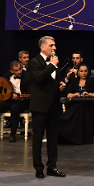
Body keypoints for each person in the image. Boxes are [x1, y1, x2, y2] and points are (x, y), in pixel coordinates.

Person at [28, 36, 66, 178]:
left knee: (53, 138)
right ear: (42, 47)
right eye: (51, 45)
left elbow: (53, 80)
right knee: (38, 139)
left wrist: (60, 84)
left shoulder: (53, 62)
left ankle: (52, 166)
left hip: (53, 106)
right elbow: (38, 78)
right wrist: (51, 65)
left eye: (54, 45)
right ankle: (38, 168)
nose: (54, 48)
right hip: (40, 106)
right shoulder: (34, 62)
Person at [0, 56, 30, 143]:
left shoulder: (27, 76)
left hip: (23, 101)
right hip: (9, 99)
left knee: (14, 108)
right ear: (11, 71)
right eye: (16, 70)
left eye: (20, 69)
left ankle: (13, 134)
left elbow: (30, 93)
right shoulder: (8, 75)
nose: (19, 72)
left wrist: (21, 97)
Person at [58, 63, 94, 144]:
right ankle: (70, 137)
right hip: (75, 105)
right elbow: (67, 94)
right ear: (78, 72)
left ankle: (81, 138)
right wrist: (74, 95)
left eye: (85, 71)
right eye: (81, 71)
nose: (83, 73)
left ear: (88, 72)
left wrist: (89, 94)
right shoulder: (74, 81)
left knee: (81, 108)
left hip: (89, 106)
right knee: (71, 113)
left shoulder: (92, 80)